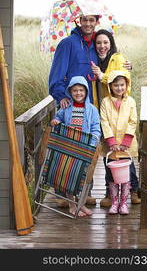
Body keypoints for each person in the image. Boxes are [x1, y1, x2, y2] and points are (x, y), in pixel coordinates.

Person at [49, 14, 100, 206]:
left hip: (88, 106)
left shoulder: (95, 45)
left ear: (96, 22)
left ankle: (85, 191)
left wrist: (127, 65)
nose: (87, 24)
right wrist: (61, 96)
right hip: (68, 105)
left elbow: (109, 62)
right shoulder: (68, 43)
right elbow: (56, 74)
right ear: (78, 21)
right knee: (65, 151)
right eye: (84, 20)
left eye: (91, 20)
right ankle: (62, 193)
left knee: (85, 149)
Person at [91, 29, 141, 207]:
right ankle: (109, 193)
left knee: (126, 158)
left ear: (111, 43)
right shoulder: (94, 58)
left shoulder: (118, 59)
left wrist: (101, 76)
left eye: (105, 42)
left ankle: (133, 190)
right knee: (109, 156)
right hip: (104, 109)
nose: (102, 46)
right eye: (98, 43)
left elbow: (123, 79)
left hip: (120, 108)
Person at [50, 76, 101, 217]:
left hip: (84, 148)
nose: (78, 93)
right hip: (68, 147)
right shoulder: (66, 108)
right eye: (75, 91)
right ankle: (72, 205)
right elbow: (58, 117)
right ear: (70, 92)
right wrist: (55, 120)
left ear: (86, 91)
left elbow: (96, 128)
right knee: (69, 177)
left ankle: (81, 204)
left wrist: (93, 142)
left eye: (81, 90)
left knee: (84, 178)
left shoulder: (92, 110)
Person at [100, 70, 139, 214]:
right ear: (110, 86)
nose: (119, 88)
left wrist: (126, 141)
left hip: (125, 146)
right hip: (111, 146)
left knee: (126, 173)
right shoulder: (105, 102)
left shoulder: (130, 102)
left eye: (122, 85)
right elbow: (104, 122)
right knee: (111, 174)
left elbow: (133, 121)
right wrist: (111, 141)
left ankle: (124, 203)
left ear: (126, 85)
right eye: (116, 85)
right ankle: (114, 201)